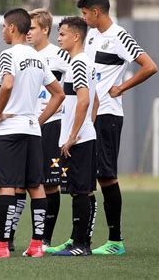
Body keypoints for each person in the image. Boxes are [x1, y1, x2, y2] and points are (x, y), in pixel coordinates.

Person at [0, 8, 71, 254]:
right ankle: (37, 245)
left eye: (3, 26)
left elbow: (7, 84)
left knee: (6, 185)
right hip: (32, 129)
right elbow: (58, 93)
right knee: (35, 185)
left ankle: (2, 245)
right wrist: (38, 119)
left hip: (10, 129)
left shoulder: (8, 55)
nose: (2, 31)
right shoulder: (37, 57)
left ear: (11, 28)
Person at [77, 0, 158, 255]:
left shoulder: (119, 36)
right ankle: (80, 239)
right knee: (88, 176)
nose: (84, 18)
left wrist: (121, 87)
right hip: (90, 114)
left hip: (108, 114)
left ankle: (116, 240)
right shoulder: (91, 37)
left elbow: (150, 66)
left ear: (97, 12)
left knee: (107, 176)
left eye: (85, 13)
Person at [51, 16, 98, 256]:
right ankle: (79, 240)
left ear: (76, 36)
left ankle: (81, 245)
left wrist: (72, 135)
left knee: (80, 190)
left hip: (77, 140)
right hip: (83, 136)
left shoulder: (79, 63)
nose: (58, 38)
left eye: (62, 34)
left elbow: (85, 100)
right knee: (83, 189)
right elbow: (95, 100)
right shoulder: (81, 62)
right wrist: (88, 126)